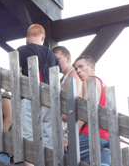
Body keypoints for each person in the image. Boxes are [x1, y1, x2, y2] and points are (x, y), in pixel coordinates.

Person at [17, 24, 62, 166]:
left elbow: (16, 74)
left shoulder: (22, 50)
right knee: (49, 139)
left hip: (30, 97)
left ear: (27, 38)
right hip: (49, 101)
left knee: (29, 136)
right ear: (43, 37)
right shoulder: (52, 55)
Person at [65, 55, 110, 166]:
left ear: (91, 67)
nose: (78, 71)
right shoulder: (103, 85)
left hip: (89, 133)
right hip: (106, 137)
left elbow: (85, 112)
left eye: (81, 67)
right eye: (76, 69)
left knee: (64, 158)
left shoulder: (89, 80)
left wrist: (71, 135)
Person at [51, 46, 82, 138]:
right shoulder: (66, 76)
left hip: (68, 127)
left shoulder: (73, 74)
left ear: (68, 58)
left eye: (58, 59)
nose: (56, 62)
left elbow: (72, 100)